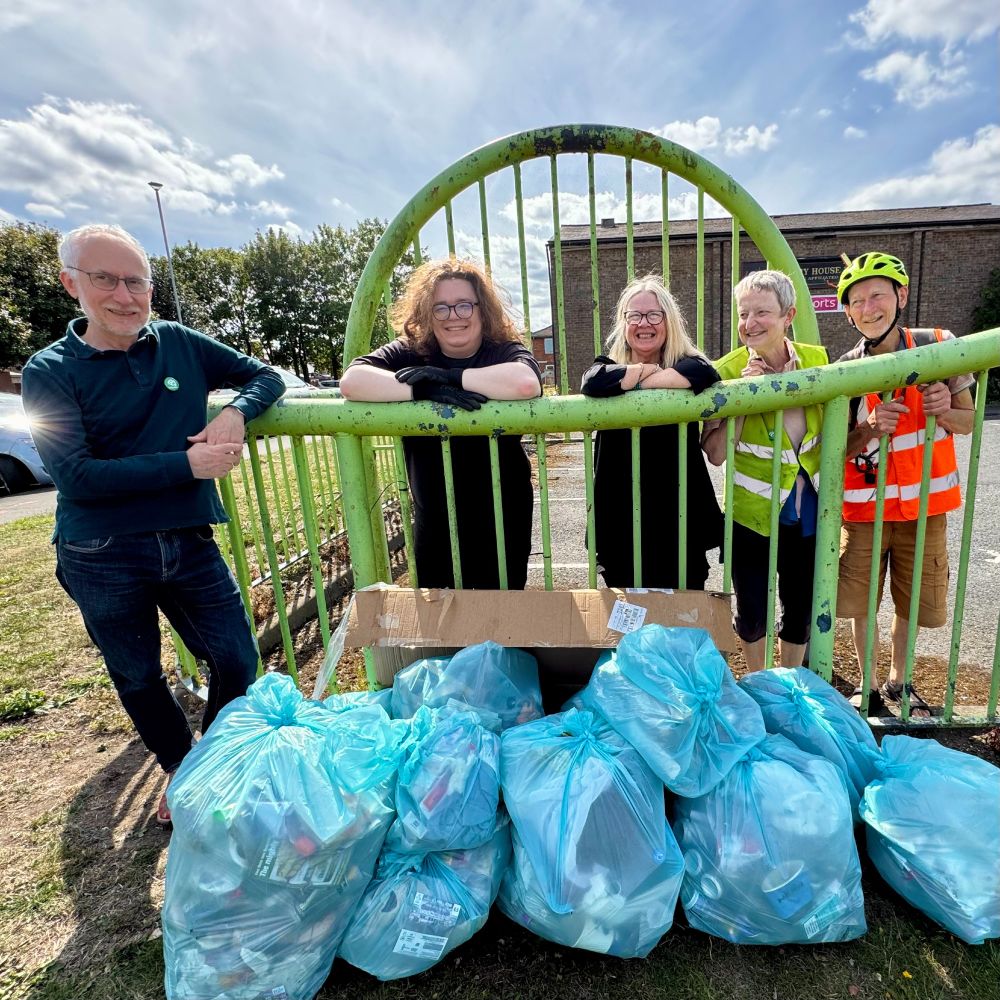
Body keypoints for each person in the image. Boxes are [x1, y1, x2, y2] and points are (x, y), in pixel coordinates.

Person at [21, 224, 284, 825]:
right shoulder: (49, 369)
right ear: (71, 285)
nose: (124, 294)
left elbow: (265, 376)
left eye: (136, 280)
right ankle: (177, 766)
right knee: (138, 673)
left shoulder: (178, 343)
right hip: (100, 550)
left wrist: (237, 413)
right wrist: (186, 463)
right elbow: (76, 476)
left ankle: (210, 765)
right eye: (105, 279)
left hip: (188, 537)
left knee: (237, 659)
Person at [340, 258, 542, 589]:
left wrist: (451, 377)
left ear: (481, 309)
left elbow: (525, 383)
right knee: (441, 620)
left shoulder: (500, 349)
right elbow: (352, 381)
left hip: (501, 513)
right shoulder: (413, 351)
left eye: (464, 306)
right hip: (435, 516)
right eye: (441, 308)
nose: (454, 317)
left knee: (502, 615)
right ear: (426, 313)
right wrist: (424, 389)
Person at [834, 251, 975, 716]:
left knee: (911, 603)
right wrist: (870, 427)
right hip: (863, 511)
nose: (867, 307)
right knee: (859, 604)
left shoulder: (940, 344)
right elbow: (836, 451)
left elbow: (967, 421)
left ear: (901, 295)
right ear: (848, 311)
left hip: (924, 508)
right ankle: (868, 683)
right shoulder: (846, 369)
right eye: (856, 301)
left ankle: (900, 679)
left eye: (876, 295)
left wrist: (944, 409)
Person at [701, 270, 829, 671]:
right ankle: (758, 683)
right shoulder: (725, 370)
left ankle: (789, 683)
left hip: (808, 509)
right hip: (750, 513)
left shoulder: (817, 360)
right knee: (752, 610)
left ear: (788, 315)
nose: (749, 323)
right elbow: (716, 454)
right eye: (743, 313)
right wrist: (744, 398)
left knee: (800, 608)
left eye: (762, 312)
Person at [581, 275, 722, 589]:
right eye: (635, 315)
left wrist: (634, 383)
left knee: (683, 610)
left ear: (668, 320)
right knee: (627, 614)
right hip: (620, 516)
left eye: (654, 314)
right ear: (624, 322)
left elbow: (706, 372)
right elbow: (592, 381)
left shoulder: (689, 364)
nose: (644, 323)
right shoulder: (607, 365)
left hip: (677, 514)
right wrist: (647, 371)